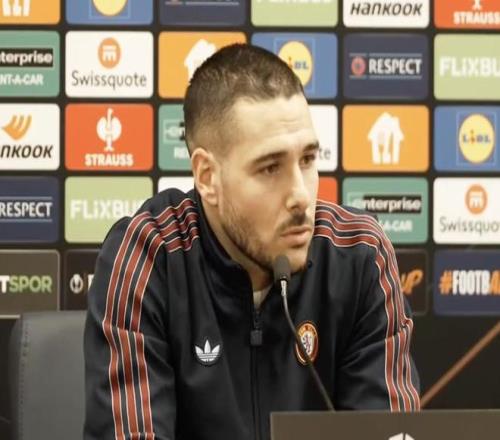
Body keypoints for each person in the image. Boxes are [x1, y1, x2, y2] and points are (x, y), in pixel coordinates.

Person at [84, 43, 420, 440]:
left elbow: (387, 431)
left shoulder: (357, 253)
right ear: (208, 177)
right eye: (270, 168)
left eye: (307, 160)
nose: (300, 196)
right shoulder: (150, 256)